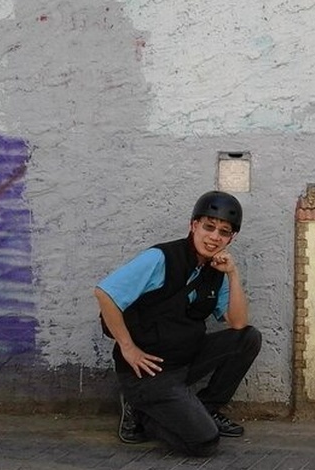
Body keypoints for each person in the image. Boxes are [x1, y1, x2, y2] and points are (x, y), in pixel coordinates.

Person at [94, 191, 262, 457]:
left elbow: (238, 323)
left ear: (232, 238)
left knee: (248, 338)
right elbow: (105, 293)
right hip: (149, 371)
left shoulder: (215, 270)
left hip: (185, 361)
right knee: (204, 442)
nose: (214, 237)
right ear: (193, 225)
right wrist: (128, 347)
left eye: (223, 232)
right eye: (208, 227)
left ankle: (205, 407)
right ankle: (142, 413)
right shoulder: (160, 258)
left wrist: (232, 273)